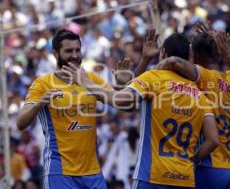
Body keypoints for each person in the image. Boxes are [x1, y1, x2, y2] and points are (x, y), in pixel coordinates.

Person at [61, 32, 219, 189]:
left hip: (152, 176)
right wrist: (192, 161)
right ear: (188, 57)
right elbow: (213, 140)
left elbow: (120, 100)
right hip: (185, 178)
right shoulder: (200, 95)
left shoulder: (155, 77)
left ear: (163, 53)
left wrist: (85, 81)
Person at [138, 24, 230, 188]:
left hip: (209, 166)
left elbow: (177, 63)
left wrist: (164, 60)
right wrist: (227, 51)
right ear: (218, 56)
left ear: (193, 54)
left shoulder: (202, 77)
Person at [16, 29, 113, 189]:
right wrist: (39, 104)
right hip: (60, 171)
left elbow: (121, 101)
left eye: (77, 50)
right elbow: (21, 123)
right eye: (69, 51)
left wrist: (141, 63)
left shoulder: (90, 79)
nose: (75, 55)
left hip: (93, 171)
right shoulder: (43, 84)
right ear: (55, 53)